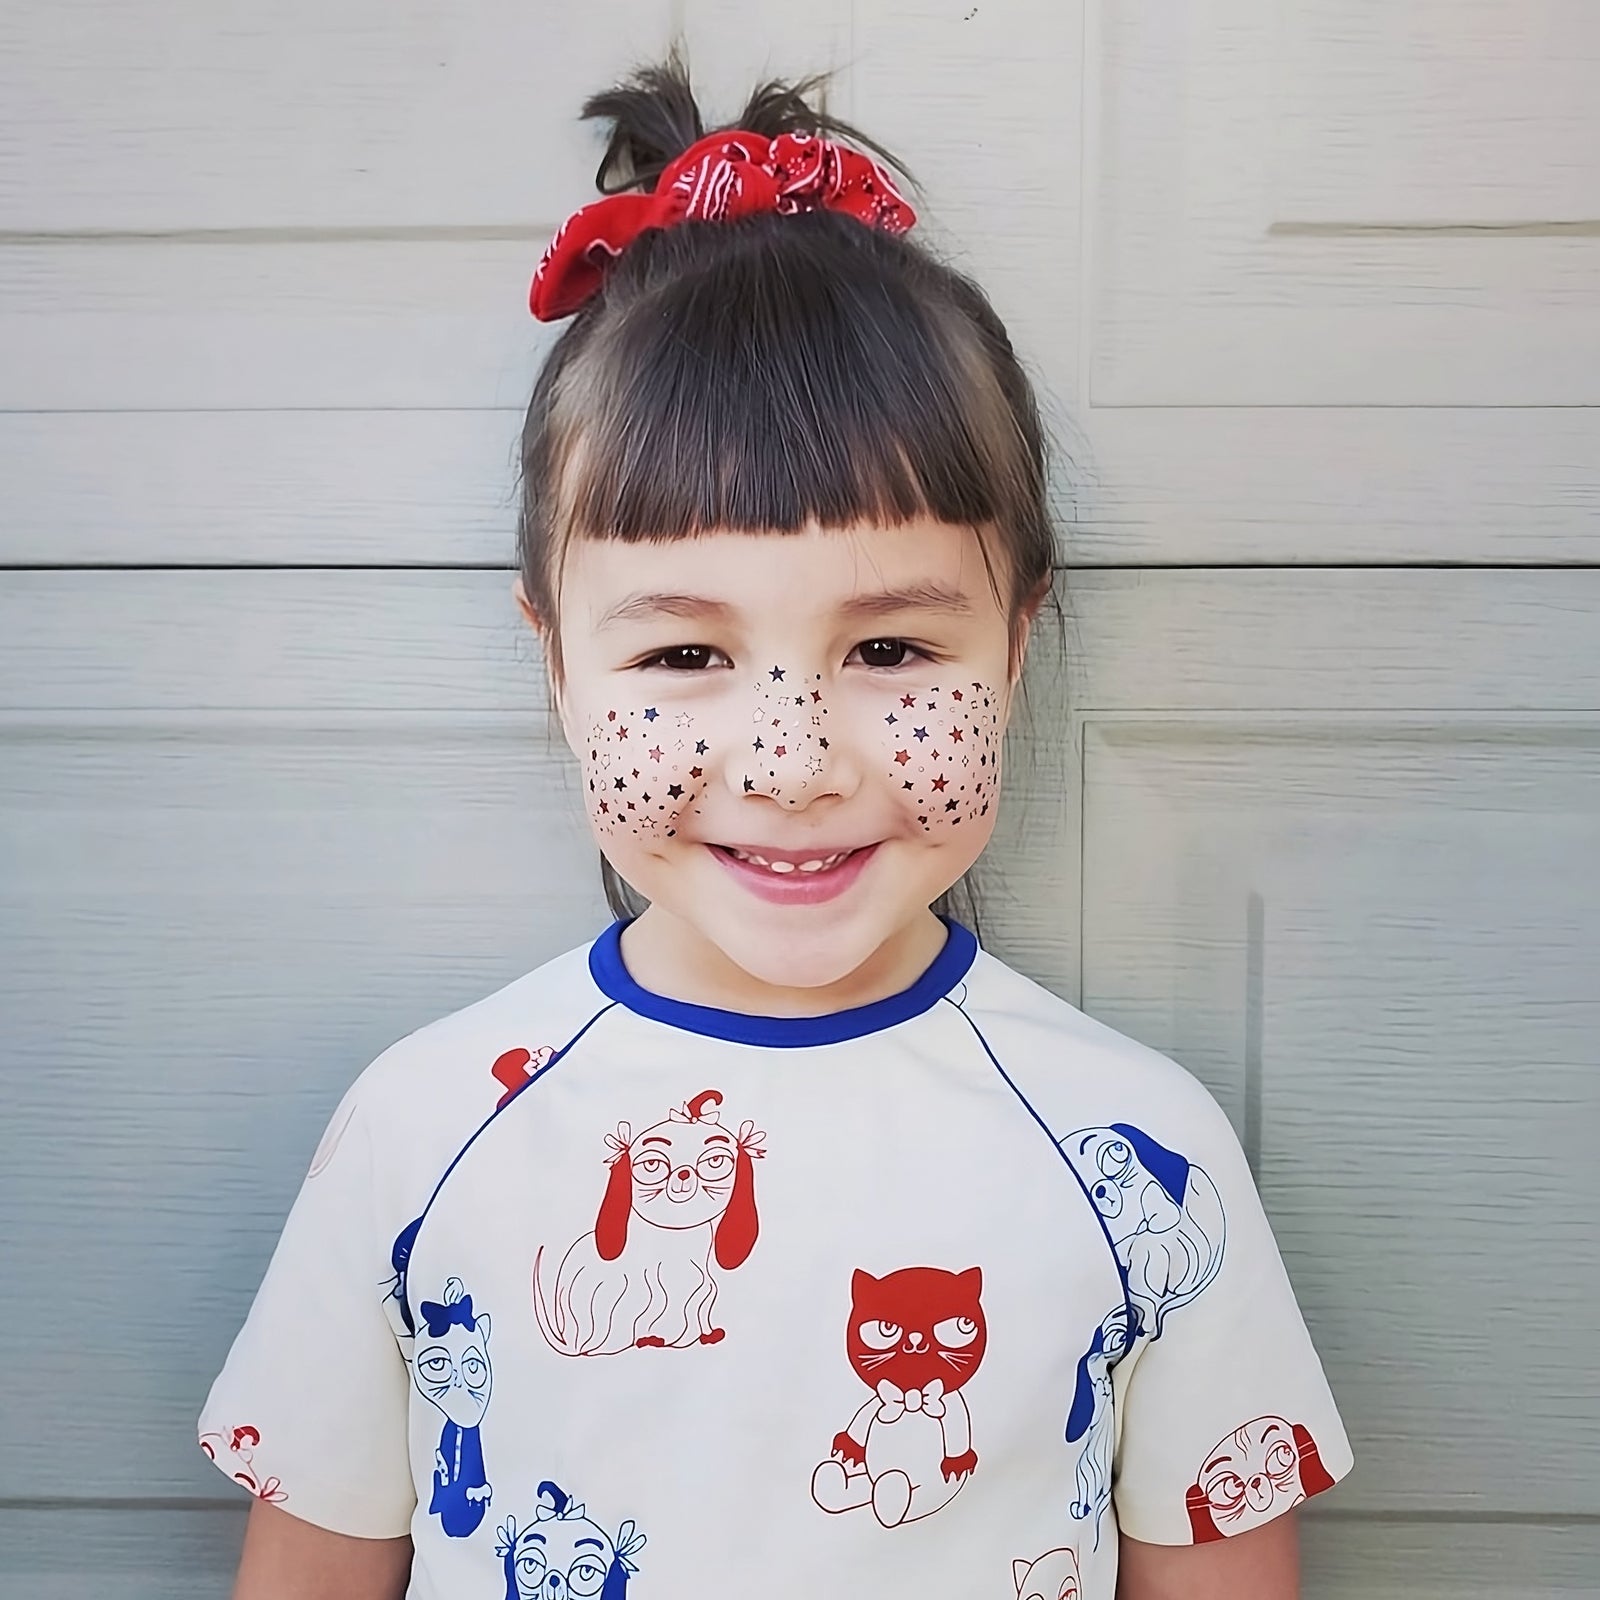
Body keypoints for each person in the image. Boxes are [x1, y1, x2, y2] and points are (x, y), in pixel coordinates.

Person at [200, 55, 1352, 1600]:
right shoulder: (421, 1134)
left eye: (891, 652)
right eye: (684, 656)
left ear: (1015, 648)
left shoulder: (1143, 1159)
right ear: (555, 662)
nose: (796, 763)